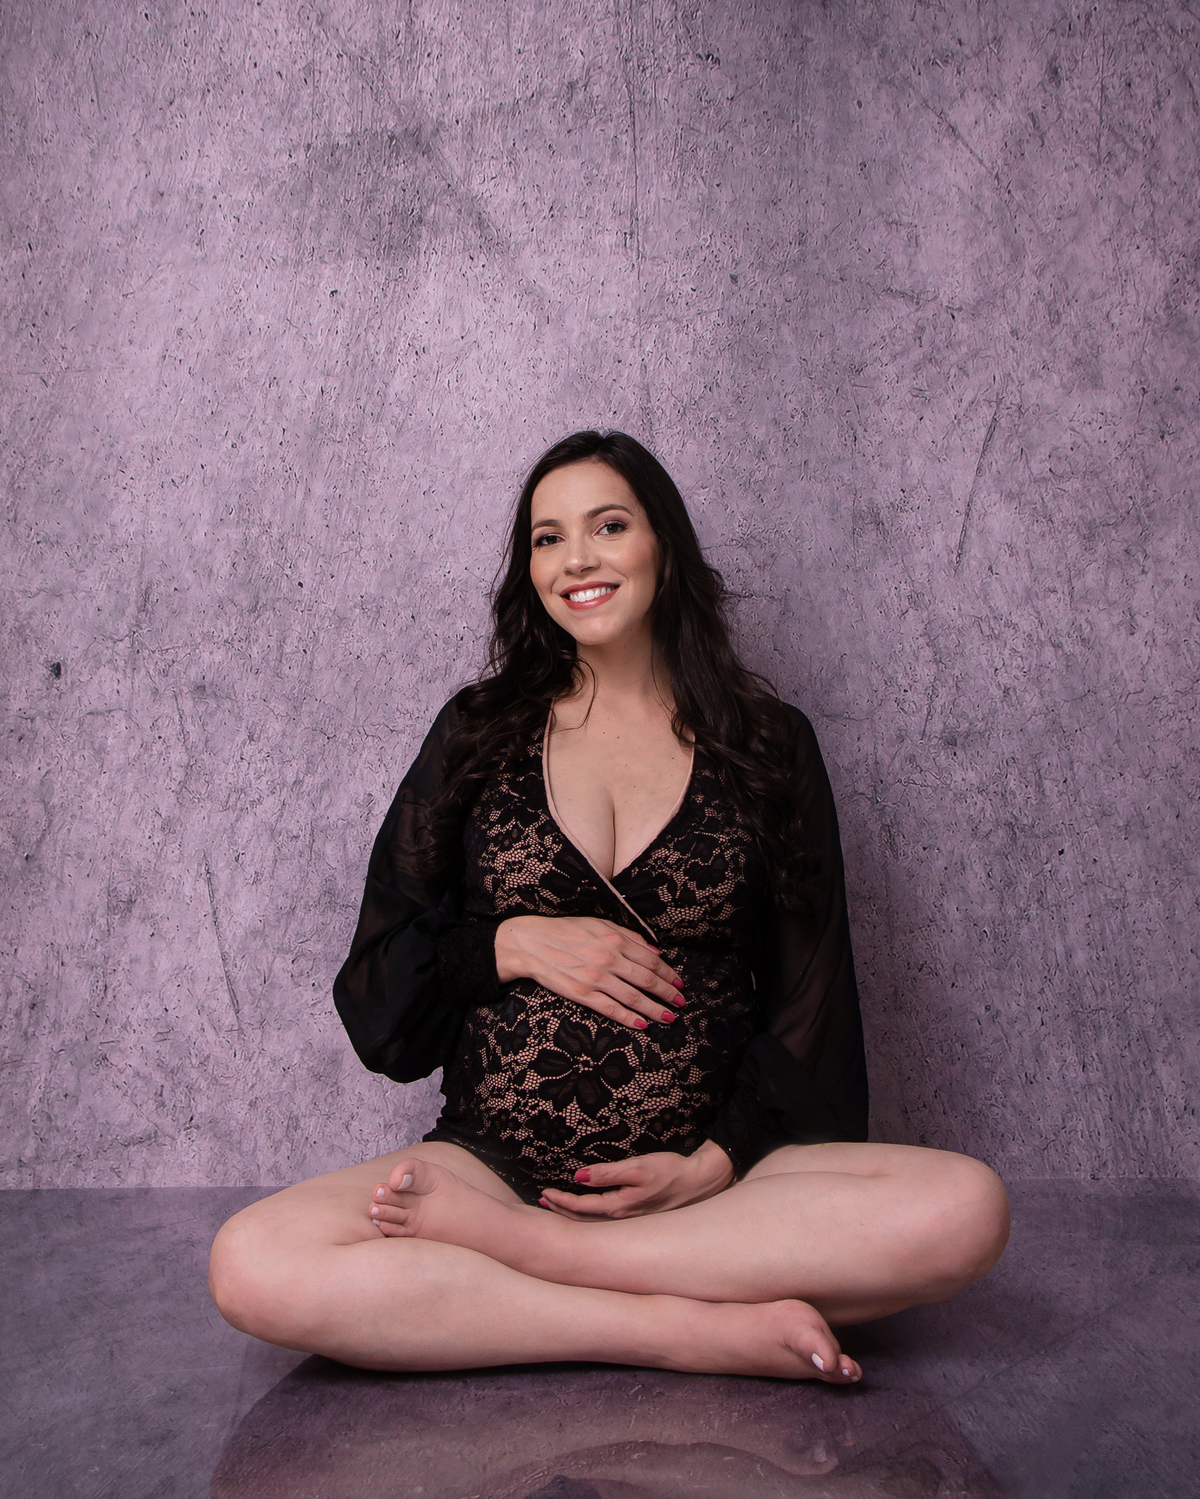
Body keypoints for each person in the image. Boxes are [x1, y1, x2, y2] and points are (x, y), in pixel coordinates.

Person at [209, 431, 1009, 1382]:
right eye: (547, 538)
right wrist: (507, 944)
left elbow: (813, 1001)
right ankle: (674, 1329)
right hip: (491, 1167)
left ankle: (546, 1259)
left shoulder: (767, 743)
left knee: (967, 1207)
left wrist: (716, 1161)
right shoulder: (477, 734)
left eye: (609, 526)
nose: (576, 559)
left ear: (663, 544)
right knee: (252, 1264)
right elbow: (379, 992)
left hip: (715, 1189)